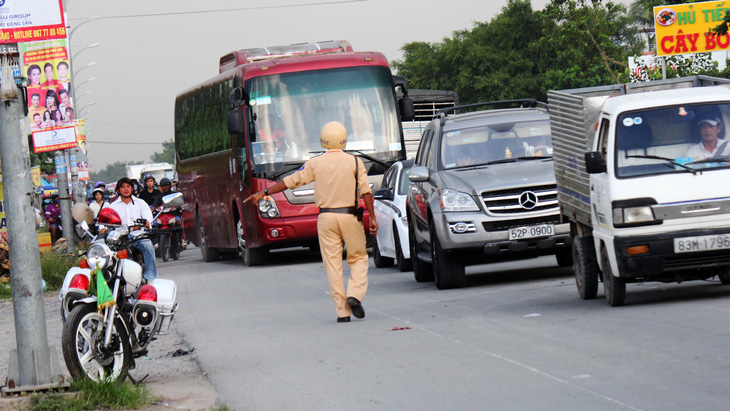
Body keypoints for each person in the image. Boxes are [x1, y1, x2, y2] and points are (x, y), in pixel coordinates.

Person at [245, 121, 378, 323]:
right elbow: (366, 192)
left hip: (325, 219)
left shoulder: (315, 163)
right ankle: (355, 295)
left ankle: (343, 312)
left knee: (332, 265)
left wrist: (264, 192)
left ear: (323, 140)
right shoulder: (355, 162)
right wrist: (373, 217)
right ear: (344, 139)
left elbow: (290, 182)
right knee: (358, 258)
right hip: (350, 216)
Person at [108, 177, 157, 281]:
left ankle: (151, 278)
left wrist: (148, 223)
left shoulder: (141, 203)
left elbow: (148, 218)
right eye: (122, 187)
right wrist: (102, 228)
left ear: (132, 189)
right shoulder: (112, 206)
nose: (126, 189)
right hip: (120, 238)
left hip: (138, 236)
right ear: (118, 190)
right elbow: (104, 220)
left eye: (128, 186)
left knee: (148, 247)